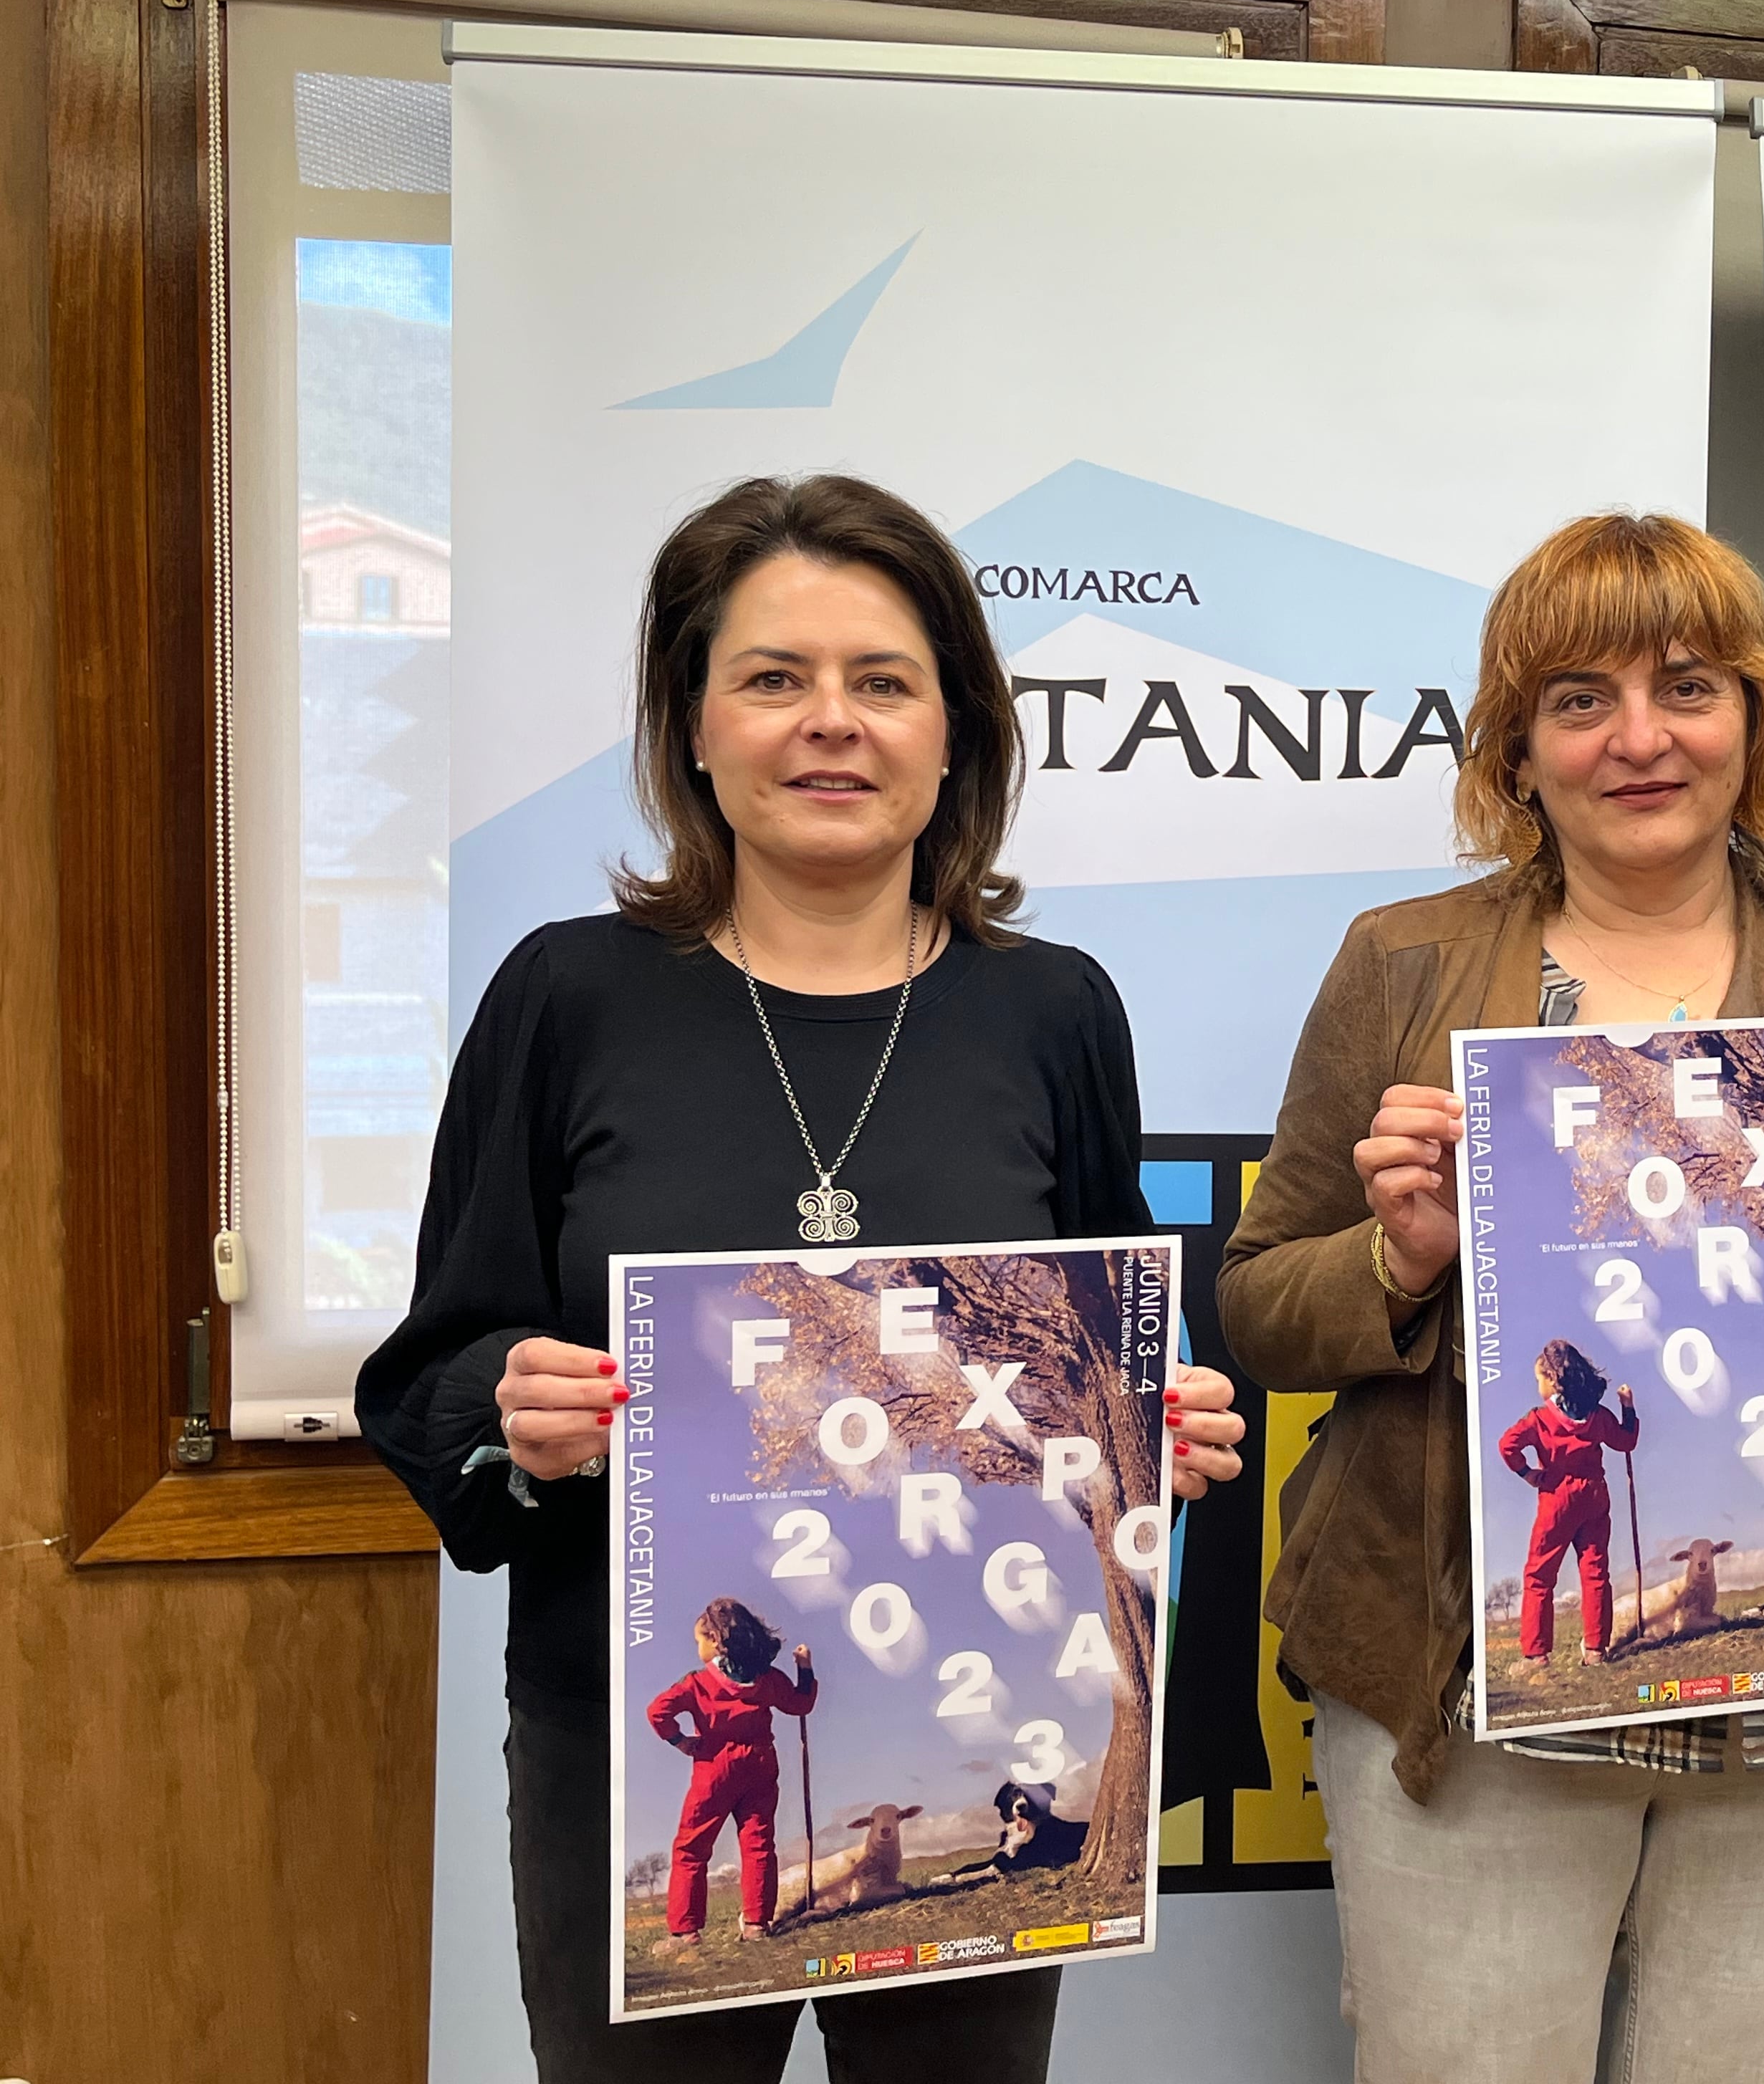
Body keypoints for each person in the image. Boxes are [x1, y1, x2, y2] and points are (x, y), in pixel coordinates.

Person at [356, 474, 1247, 2084]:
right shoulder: (567, 998)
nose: (830, 723)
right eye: (773, 679)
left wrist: (1152, 1435)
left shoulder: (1054, 1013)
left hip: (994, 1732)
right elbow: (429, 1368)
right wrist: (512, 1408)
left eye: (883, 682)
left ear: (957, 730)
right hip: (626, 1745)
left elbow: (1104, 1351)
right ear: (693, 729)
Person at [1218, 512, 1764, 2084]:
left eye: (1688, 686)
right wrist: (1398, 1258)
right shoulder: (1403, 963)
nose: (1640, 738)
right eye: (1580, 698)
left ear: (1756, 717)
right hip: (1467, 1688)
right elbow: (1259, 1303)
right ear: (1520, 747)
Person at [648, 1599, 815, 1944]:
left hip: (714, 1768)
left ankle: (685, 1931)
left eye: (699, 1640)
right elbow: (801, 1704)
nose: (698, 1647)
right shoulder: (768, 1679)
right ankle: (757, 1925)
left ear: (715, 1640)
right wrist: (805, 1669)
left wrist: (679, 1740)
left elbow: (657, 1712)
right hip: (760, 1763)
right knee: (758, 1844)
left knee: (691, 1848)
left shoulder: (696, 1683)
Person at [1499, 1340, 1640, 1671]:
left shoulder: (1539, 1419)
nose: (1538, 1385)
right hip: (1594, 1495)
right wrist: (1628, 1407)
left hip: (1557, 1498)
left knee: (1539, 1575)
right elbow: (1626, 1441)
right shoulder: (1598, 1416)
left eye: (1539, 1379)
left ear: (1553, 1379)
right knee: (1595, 1572)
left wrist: (1528, 1474)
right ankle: (1595, 1650)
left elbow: (1507, 1446)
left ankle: (1536, 1655)